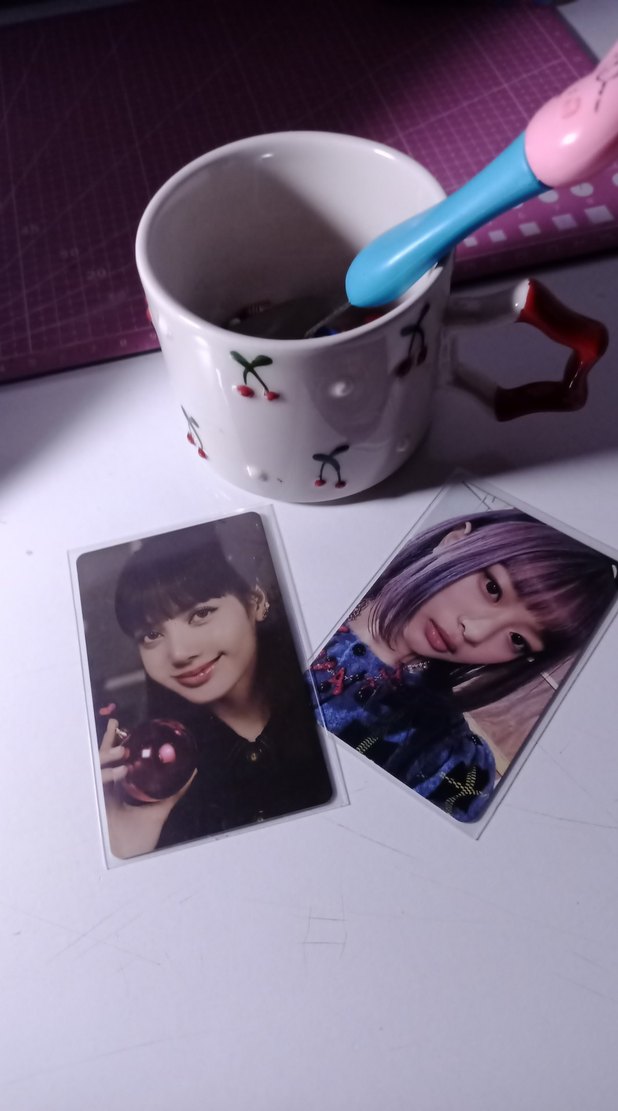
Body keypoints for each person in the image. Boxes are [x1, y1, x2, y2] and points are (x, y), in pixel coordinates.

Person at [308, 507, 617, 823]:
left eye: (518, 639)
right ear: (454, 541)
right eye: (492, 588)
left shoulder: (442, 756)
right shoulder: (310, 577)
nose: (476, 631)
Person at [99, 519, 333, 858]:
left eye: (200, 614)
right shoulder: (159, 773)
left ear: (256, 601)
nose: (179, 653)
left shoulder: (336, 699)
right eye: (151, 635)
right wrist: (128, 844)